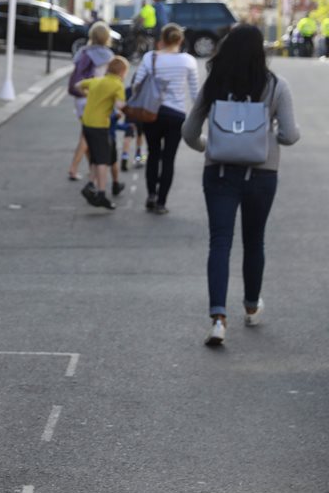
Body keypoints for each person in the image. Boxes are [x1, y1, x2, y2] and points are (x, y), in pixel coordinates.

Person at [182, 24, 300, 346]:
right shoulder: (276, 85)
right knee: (254, 240)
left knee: (220, 241)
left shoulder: (215, 82)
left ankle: (218, 318)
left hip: (219, 172)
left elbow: (189, 131)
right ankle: (250, 306)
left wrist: (210, 144)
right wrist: (265, 135)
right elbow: (289, 135)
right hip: (262, 174)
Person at [132, 23, 199, 215]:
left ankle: (151, 195)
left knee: (153, 154)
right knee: (169, 159)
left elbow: (137, 85)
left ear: (162, 39)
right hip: (176, 115)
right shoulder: (188, 61)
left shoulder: (150, 57)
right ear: (180, 40)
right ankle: (161, 202)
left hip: (152, 113)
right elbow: (195, 94)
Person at [76, 55, 129, 210]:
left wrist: (90, 95)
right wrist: (121, 107)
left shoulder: (97, 80)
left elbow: (79, 85)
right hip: (100, 125)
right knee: (103, 161)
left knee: (96, 156)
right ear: (122, 72)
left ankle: (91, 185)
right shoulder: (117, 85)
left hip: (87, 123)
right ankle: (101, 193)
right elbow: (120, 105)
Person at [67, 22, 114, 183]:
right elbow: (109, 80)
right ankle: (74, 168)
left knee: (86, 133)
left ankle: (91, 169)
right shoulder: (107, 55)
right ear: (106, 38)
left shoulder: (83, 51)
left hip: (79, 97)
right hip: (93, 98)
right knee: (87, 136)